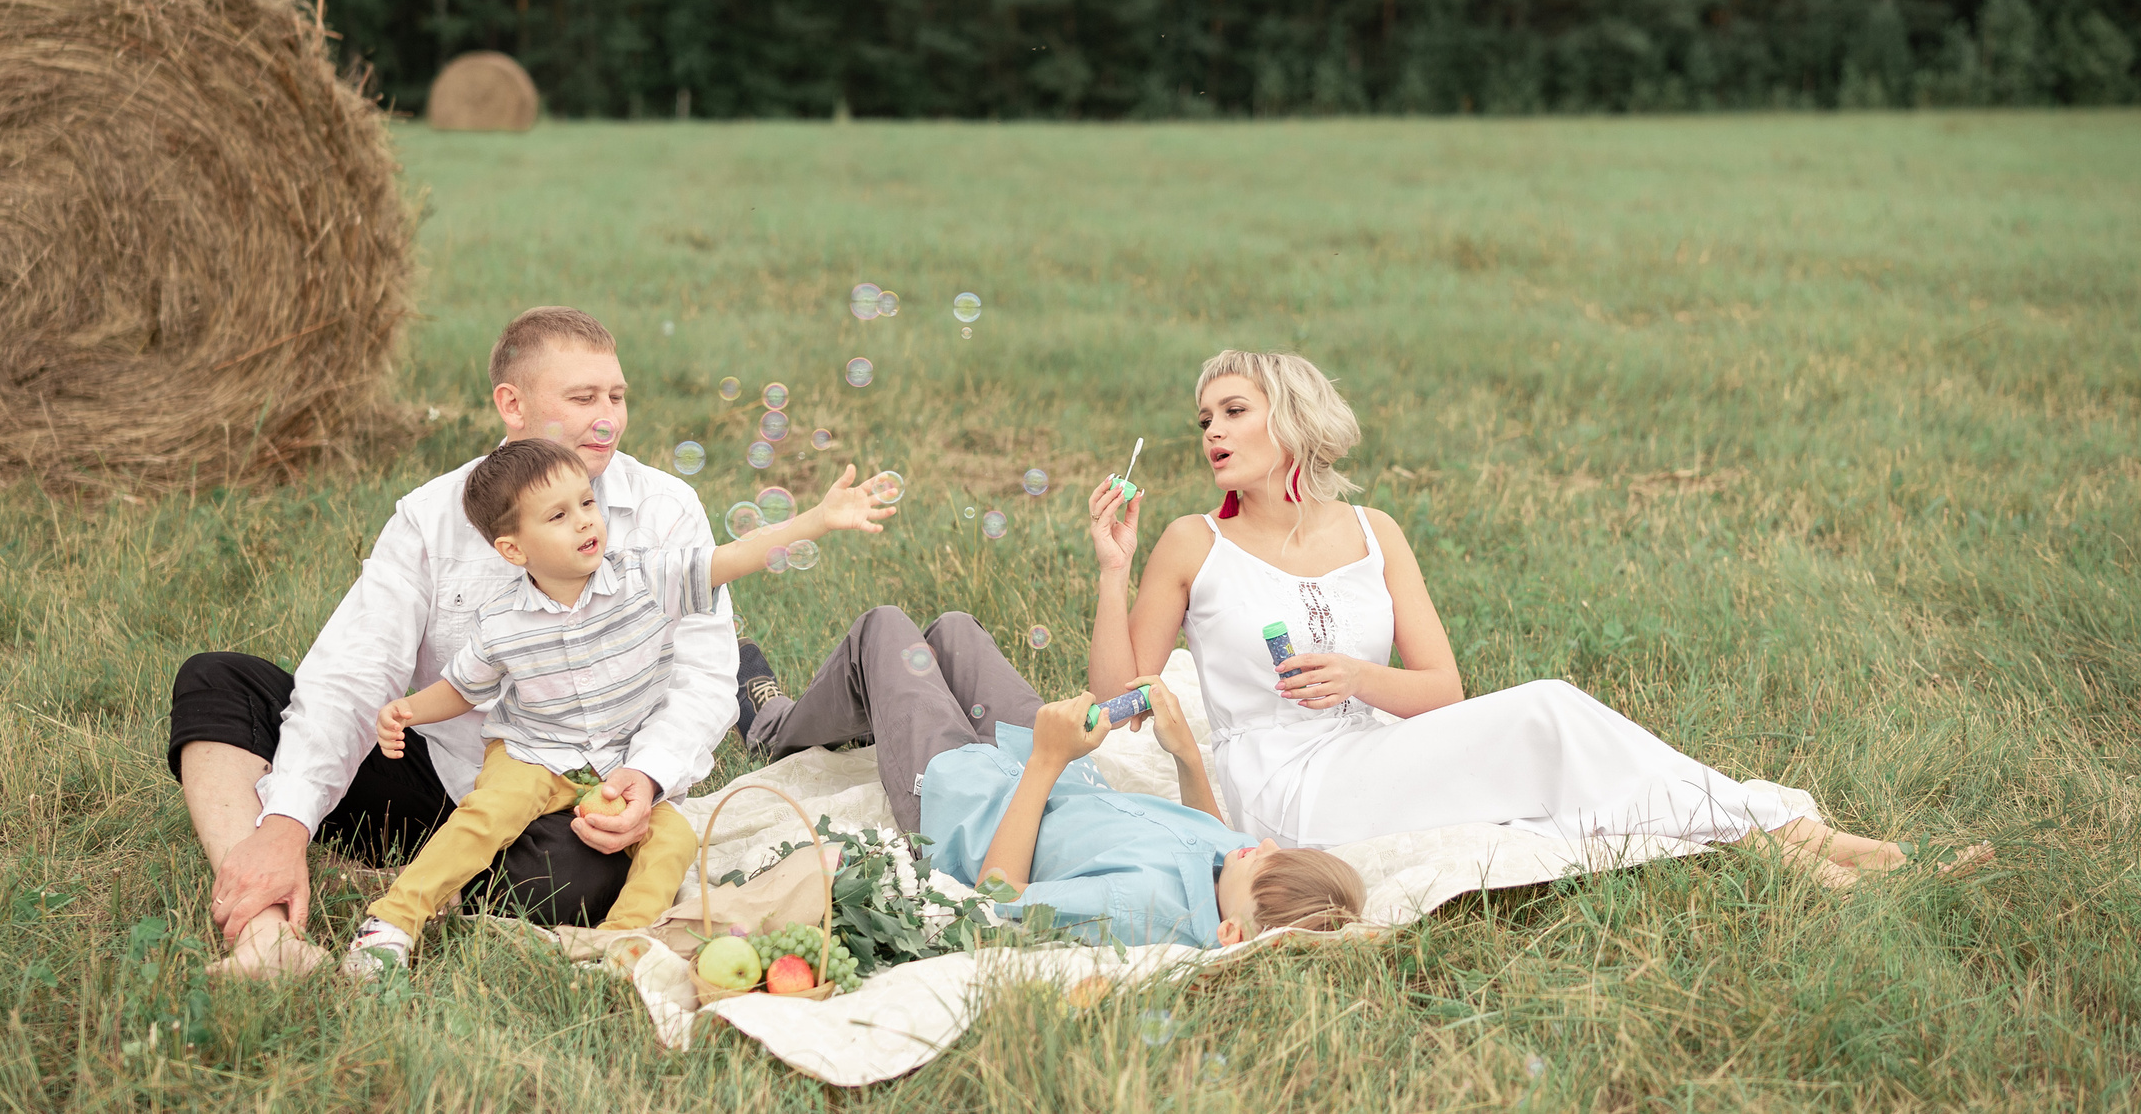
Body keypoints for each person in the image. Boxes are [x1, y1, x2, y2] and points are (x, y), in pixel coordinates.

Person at [1082, 348, 1984, 887]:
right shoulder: (1192, 542)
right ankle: (1796, 840)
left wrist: (1356, 677)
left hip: (1373, 747)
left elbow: (1443, 689)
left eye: (1234, 410)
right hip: (1283, 788)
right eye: (1204, 418)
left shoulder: (1373, 530)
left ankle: (1792, 844)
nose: (1212, 430)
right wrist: (1114, 571)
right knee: (1549, 715)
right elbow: (1118, 704)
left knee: (1568, 760)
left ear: (1292, 418)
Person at [169, 307, 742, 976]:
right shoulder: (432, 516)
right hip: (443, 773)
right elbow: (355, 673)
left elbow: (705, 676)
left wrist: (645, 778)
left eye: (617, 396)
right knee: (218, 682)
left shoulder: (666, 509)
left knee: (579, 879)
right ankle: (267, 936)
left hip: (581, 789)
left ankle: (408, 881)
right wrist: (286, 824)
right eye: (583, 398)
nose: (608, 419)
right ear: (512, 404)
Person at [342, 446, 894, 976]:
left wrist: (818, 520)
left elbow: (731, 557)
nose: (586, 520)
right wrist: (408, 710)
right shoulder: (500, 622)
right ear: (513, 549)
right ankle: (393, 920)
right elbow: (463, 688)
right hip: (530, 753)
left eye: (587, 502)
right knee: (488, 814)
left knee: (674, 839)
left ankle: (622, 942)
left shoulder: (644, 577)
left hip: (616, 762)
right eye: (558, 515)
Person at [740, 608, 1366, 947]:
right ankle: (880, 709)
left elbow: (996, 899)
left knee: (882, 629)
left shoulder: (1135, 908)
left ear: (1230, 933)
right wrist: (1185, 755)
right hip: (1052, 769)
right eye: (1277, 850)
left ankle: (770, 728)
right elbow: (1215, 837)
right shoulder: (1233, 874)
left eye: (1262, 863)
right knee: (953, 632)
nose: (1262, 844)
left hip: (967, 801)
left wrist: (1045, 760)